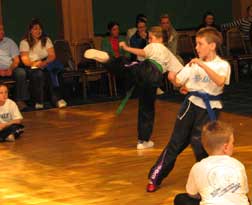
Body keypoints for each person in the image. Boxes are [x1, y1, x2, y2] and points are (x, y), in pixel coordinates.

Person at [146, 27, 231, 192]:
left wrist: (202, 65)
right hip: (190, 106)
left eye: (200, 44)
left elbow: (220, 81)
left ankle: (207, 184)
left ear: (212, 46)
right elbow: (179, 81)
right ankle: (155, 177)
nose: (196, 47)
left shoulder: (222, 65)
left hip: (209, 110)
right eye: (196, 44)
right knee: (175, 143)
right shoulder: (193, 64)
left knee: (201, 146)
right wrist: (174, 80)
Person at [84, 26, 183, 150]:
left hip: (147, 69)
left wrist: (126, 48)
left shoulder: (156, 46)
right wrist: (181, 86)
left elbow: (143, 53)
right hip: (154, 78)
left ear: (160, 38)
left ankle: (108, 59)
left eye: (151, 38)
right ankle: (143, 140)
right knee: (147, 108)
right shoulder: (169, 53)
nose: (149, 41)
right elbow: (172, 74)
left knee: (125, 66)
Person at [174, 121, 250, 205]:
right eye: (232, 143)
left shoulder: (198, 167)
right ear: (225, 147)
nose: (233, 145)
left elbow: (192, 194)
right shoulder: (238, 165)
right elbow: (244, 190)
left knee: (180, 199)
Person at [20, 18, 67, 109]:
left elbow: (52, 55)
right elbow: (25, 60)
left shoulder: (46, 40)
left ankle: (57, 99)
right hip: (32, 66)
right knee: (39, 74)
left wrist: (44, 62)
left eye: (40, 29)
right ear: (30, 31)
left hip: (46, 63)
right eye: (35, 29)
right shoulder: (24, 42)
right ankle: (40, 101)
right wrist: (36, 64)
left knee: (53, 72)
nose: (38, 31)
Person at [0, 24, 29, 110]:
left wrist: (10, 69)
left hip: (10, 68)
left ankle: (20, 100)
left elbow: (16, 60)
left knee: (21, 73)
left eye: (2, 29)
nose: (2, 32)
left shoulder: (9, 42)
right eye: (0, 30)